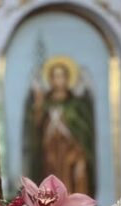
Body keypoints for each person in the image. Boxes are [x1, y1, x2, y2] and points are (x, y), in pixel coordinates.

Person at [24, 57, 94, 196]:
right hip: (50, 150)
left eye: (62, 76)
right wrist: (39, 106)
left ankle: (73, 204)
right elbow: (36, 125)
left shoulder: (76, 103)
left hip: (70, 148)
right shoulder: (45, 102)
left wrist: (66, 122)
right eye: (55, 76)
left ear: (68, 79)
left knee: (73, 175)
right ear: (50, 79)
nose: (59, 80)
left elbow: (84, 129)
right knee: (51, 178)